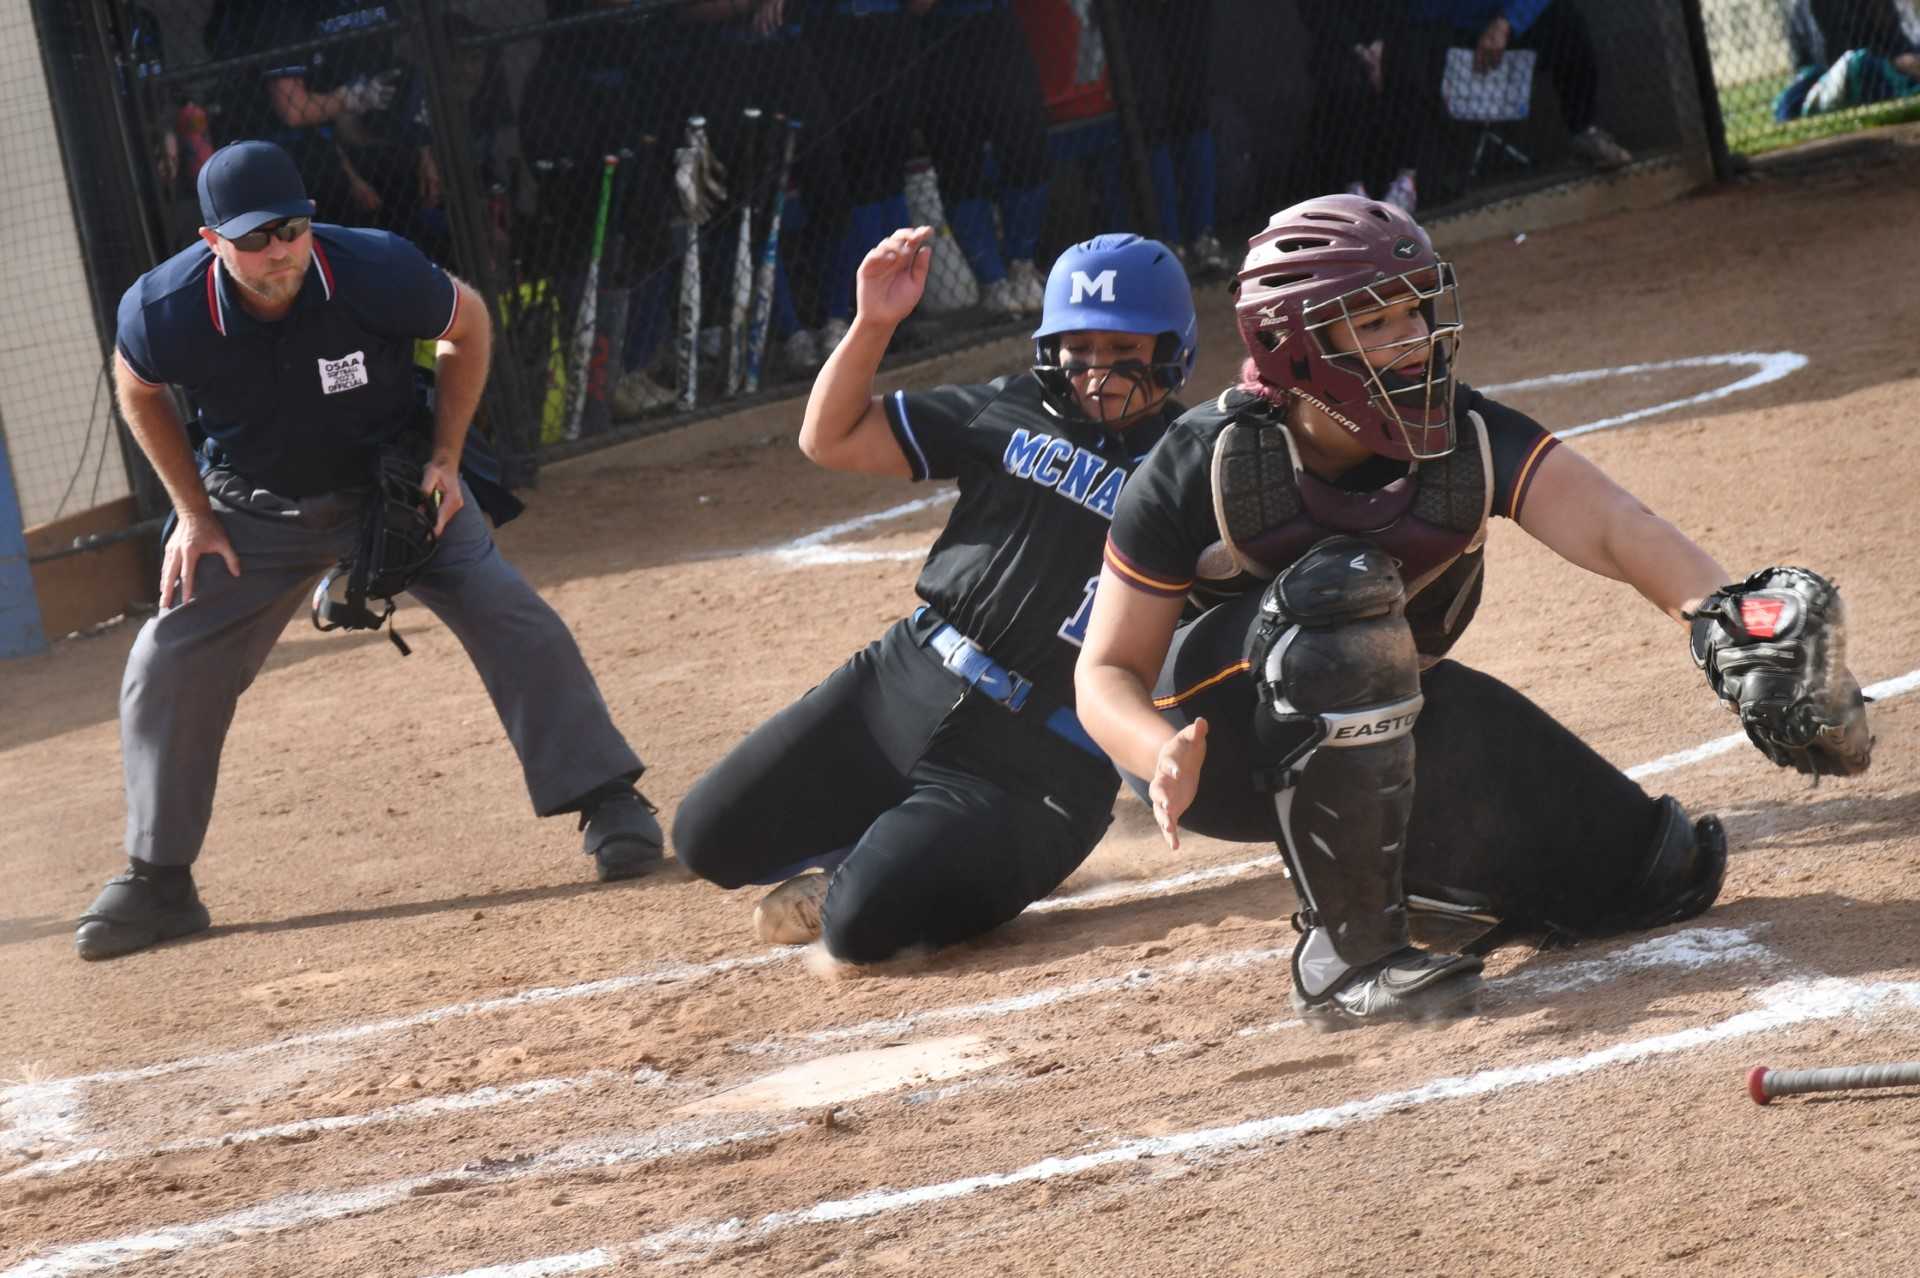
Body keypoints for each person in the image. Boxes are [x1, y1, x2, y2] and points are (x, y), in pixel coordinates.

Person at [1073, 194, 1732, 1029]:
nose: (1413, 339)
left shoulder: (1461, 431)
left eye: (1414, 312)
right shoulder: (1201, 462)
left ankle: (1448, 891)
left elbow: (1614, 526)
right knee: (1337, 593)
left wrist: (1727, 614)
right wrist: (1157, 749)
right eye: (1376, 322)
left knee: (1656, 871)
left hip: (1371, 701)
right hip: (1207, 739)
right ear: (1296, 346)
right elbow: (1104, 671)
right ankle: (1344, 959)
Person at [78, 140, 665, 961]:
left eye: (290, 227)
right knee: (165, 657)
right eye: (253, 238)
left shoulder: (373, 267)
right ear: (213, 244)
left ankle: (609, 800)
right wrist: (191, 513)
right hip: (253, 509)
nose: (279, 249)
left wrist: (448, 459)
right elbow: (136, 385)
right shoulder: (164, 308)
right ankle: (160, 881)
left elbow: (468, 322)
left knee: (507, 610)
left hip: (392, 488)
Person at [673, 229, 1197, 962]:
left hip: (1039, 760)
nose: (1098, 373)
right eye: (1080, 348)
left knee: (855, 928)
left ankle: (932, 861)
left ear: (1172, 350)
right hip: (904, 680)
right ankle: (905, 847)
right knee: (705, 837)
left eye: (1124, 351)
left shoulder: (1196, 460)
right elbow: (832, 438)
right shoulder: (1014, 408)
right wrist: (873, 324)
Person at [913, 0, 1053, 318]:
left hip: (995, 21)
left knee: (1027, 145)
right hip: (939, 33)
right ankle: (993, 282)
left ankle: (1022, 265)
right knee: (958, 160)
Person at [1406, 0, 1635, 172]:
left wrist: (1507, 23)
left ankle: (1584, 132)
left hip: (1509, 28)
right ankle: (1428, 171)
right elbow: (1419, 14)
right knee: (1416, 50)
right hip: (1452, 34)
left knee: (1565, 18)